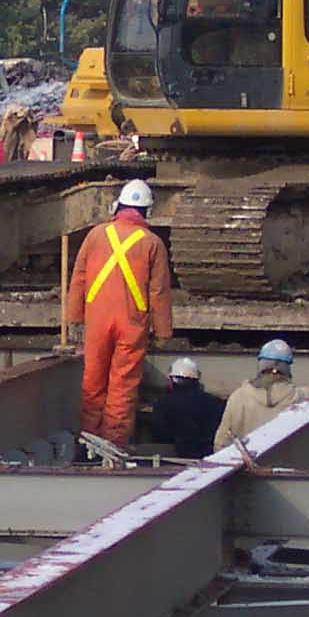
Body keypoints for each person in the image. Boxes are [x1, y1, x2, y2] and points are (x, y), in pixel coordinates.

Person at [65, 179, 175, 447]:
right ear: (146, 211)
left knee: (92, 383)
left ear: (119, 206)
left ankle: (88, 440)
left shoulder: (96, 235)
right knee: (122, 387)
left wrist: (74, 318)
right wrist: (163, 333)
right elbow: (159, 291)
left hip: (98, 321)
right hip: (131, 324)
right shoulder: (152, 243)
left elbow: (78, 277)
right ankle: (112, 445)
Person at [214, 339, 300, 450]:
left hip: (246, 465)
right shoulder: (299, 398)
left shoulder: (238, 397)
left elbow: (221, 443)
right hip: (283, 465)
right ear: (287, 368)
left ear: (261, 364)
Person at [149, 357, 226, 459]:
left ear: (172, 380)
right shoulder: (214, 402)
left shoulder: (162, 404)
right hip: (207, 458)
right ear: (197, 379)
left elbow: (158, 436)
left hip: (172, 459)